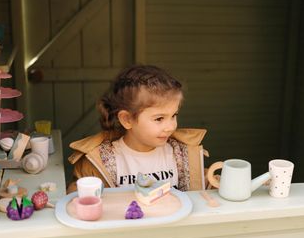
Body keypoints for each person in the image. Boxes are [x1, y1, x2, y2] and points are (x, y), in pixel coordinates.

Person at [67, 65, 208, 193]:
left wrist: (213, 181)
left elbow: (200, 188)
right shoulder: (98, 162)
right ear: (127, 120)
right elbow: (79, 197)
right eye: (159, 119)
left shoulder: (182, 154)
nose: (171, 126)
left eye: (174, 115)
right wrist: (76, 192)